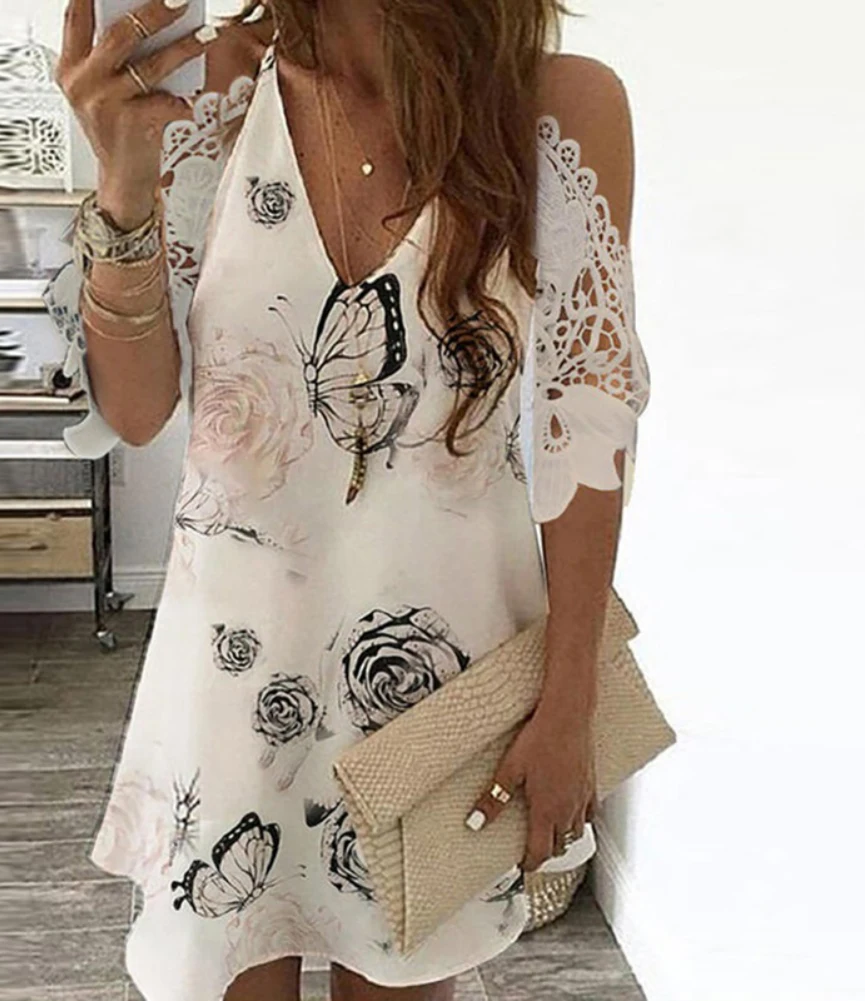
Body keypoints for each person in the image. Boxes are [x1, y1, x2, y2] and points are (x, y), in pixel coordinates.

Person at [44, 1, 650, 999]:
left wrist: (569, 696)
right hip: (231, 671)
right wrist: (122, 180)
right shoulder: (209, 94)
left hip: (438, 683)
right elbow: (139, 408)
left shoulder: (555, 106)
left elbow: (585, 430)